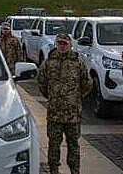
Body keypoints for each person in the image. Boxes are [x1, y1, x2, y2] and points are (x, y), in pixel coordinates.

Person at [38, 33, 92, 174]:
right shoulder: (49, 62)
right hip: (54, 114)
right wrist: (52, 97)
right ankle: (54, 170)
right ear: (56, 44)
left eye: (65, 44)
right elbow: (42, 82)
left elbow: (87, 83)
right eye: (59, 43)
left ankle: (75, 170)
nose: (62, 46)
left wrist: (76, 97)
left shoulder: (77, 62)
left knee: (73, 145)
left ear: (70, 45)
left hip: (72, 115)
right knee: (53, 145)